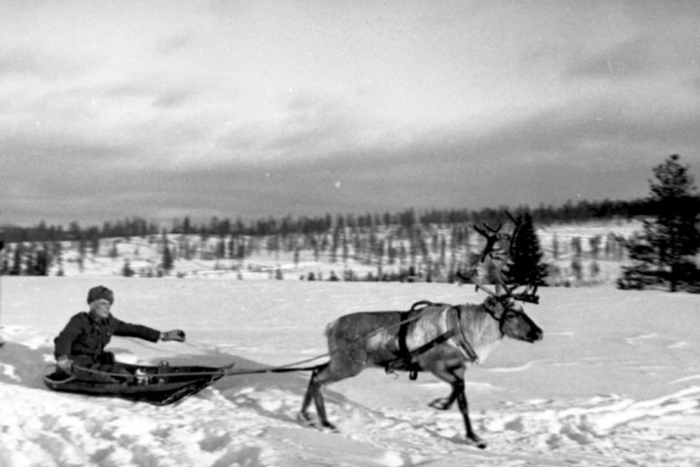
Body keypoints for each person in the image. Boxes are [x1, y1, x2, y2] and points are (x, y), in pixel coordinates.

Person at [54, 285, 186, 382]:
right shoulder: (80, 320)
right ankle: (136, 382)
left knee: (120, 372)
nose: (108, 307)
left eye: (109, 304)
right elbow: (64, 339)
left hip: (95, 363)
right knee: (110, 378)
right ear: (92, 304)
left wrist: (162, 335)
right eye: (103, 303)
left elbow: (133, 329)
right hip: (75, 366)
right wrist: (63, 359)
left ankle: (138, 379)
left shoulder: (109, 322)